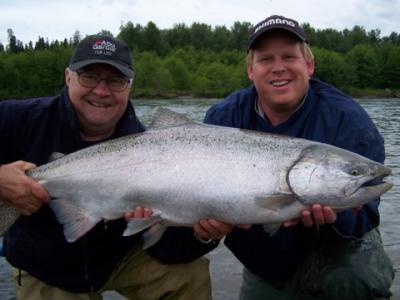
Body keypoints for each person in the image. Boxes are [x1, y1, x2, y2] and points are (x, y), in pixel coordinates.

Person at [0, 35, 219, 300]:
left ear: (129, 87)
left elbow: (167, 251)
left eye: (115, 81)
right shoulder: (17, 119)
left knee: (189, 276)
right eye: (89, 76)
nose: (102, 91)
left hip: (120, 258)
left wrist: (201, 235)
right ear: (68, 77)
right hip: (45, 266)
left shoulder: (149, 145)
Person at [203, 15, 395, 300]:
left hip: (337, 252)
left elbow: (367, 216)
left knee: (354, 278)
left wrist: (334, 219)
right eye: (266, 59)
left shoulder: (350, 122)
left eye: (289, 57)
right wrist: (206, 229)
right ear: (251, 71)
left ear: (309, 65)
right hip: (264, 260)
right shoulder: (223, 118)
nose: (278, 68)